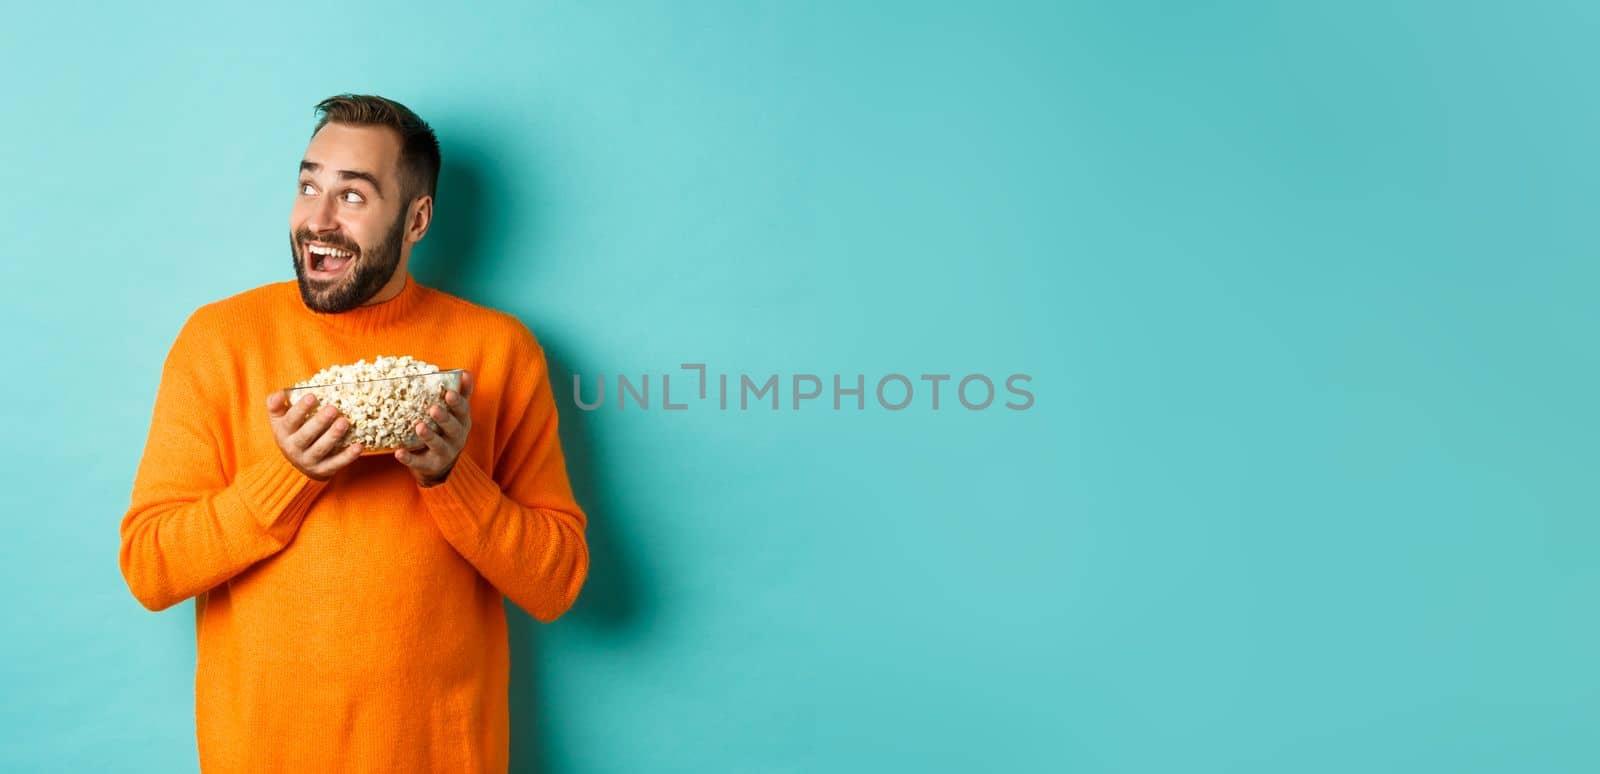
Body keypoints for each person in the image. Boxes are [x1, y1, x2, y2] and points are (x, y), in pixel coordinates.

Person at [118, 94, 589, 773]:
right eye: (308, 185)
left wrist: (451, 478)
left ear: (417, 220)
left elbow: (558, 583)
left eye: (354, 197)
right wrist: (289, 475)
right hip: (263, 754)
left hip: (444, 753)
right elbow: (151, 569)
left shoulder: (497, 352)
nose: (318, 219)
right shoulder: (219, 342)